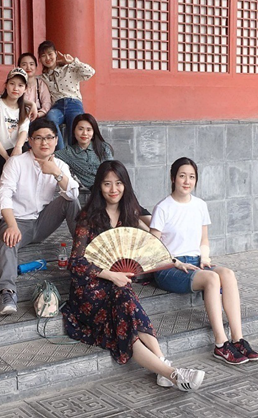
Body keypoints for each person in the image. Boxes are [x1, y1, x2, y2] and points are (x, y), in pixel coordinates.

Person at [62, 160, 205, 391]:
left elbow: (149, 246)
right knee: (124, 309)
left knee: (125, 310)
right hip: (90, 289)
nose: (113, 189)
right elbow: (76, 262)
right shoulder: (87, 218)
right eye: (107, 184)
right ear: (99, 187)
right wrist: (111, 275)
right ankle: (169, 371)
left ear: (125, 185)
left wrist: (173, 261)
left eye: (118, 183)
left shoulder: (130, 214)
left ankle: (167, 370)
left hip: (118, 286)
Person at [150, 157, 258, 365]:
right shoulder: (163, 207)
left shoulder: (200, 205)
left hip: (195, 262)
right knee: (211, 279)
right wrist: (174, 262)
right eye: (182, 176)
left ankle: (238, 339)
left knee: (227, 274)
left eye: (192, 177)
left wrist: (205, 258)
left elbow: (204, 239)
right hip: (168, 267)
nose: (187, 181)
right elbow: (152, 248)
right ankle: (220, 344)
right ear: (173, 178)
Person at [0, 120, 81, 315]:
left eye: (49, 138)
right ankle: (7, 292)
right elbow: (3, 196)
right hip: (17, 221)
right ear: (30, 141)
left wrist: (57, 173)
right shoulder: (16, 163)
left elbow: (73, 195)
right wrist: (11, 225)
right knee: (8, 240)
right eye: (39, 138)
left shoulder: (60, 165)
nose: (45, 142)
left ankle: (83, 254)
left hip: (43, 222)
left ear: (56, 140)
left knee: (70, 200)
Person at [38, 40, 95, 150]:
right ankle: (62, 152)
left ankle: (74, 154)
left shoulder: (69, 68)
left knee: (76, 125)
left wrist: (73, 61)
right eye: (43, 56)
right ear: (40, 59)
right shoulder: (42, 78)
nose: (48, 58)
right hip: (57, 107)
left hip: (74, 104)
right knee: (50, 118)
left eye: (50, 54)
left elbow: (90, 72)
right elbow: (29, 82)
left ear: (56, 53)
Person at [0, 68, 30, 174]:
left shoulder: (24, 110)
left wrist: (18, 147)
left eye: (20, 85)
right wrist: (8, 159)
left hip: (17, 151)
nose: (15, 88)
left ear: (25, 89)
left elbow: (23, 131)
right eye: (12, 84)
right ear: (6, 85)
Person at [55, 113, 113, 189]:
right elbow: (49, 157)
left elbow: (112, 171)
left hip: (107, 189)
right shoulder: (68, 152)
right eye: (80, 129)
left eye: (88, 130)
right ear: (74, 131)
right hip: (88, 192)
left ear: (93, 132)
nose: (85, 133)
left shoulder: (103, 148)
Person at [18, 52, 51, 120]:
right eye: (24, 64)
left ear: (36, 67)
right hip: (19, 117)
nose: (28, 67)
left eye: (31, 64)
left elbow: (46, 104)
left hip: (38, 117)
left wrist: (38, 114)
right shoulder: (16, 83)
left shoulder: (41, 84)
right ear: (19, 67)